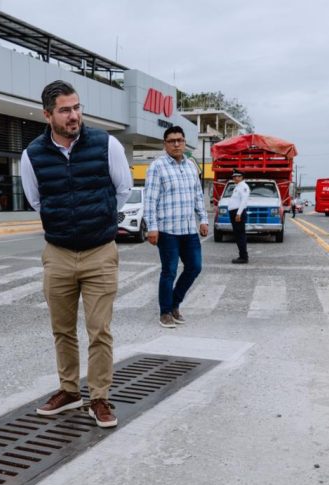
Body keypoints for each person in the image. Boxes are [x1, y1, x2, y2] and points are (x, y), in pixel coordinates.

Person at [20, 80, 132, 428]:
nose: (74, 116)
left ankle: (99, 397)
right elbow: (36, 200)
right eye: (65, 110)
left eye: (77, 107)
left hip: (99, 251)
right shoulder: (32, 155)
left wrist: (98, 218)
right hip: (58, 254)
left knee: (100, 330)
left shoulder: (105, 144)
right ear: (48, 115)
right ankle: (69, 391)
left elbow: (123, 189)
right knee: (62, 329)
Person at [144, 126, 209, 328]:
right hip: (167, 230)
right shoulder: (157, 166)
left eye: (180, 140)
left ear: (184, 142)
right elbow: (150, 200)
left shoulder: (191, 166)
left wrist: (204, 219)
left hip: (189, 229)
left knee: (195, 267)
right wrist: (152, 227)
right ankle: (165, 312)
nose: (176, 144)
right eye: (172, 141)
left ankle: (174, 304)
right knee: (169, 271)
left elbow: (198, 195)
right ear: (165, 144)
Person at [227, 169, 249, 264]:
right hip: (235, 213)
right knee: (238, 235)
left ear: (242, 177)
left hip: (238, 213)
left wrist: (238, 214)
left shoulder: (243, 187)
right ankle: (242, 255)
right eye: (234, 176)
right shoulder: (238, 186)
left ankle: (243, 257)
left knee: (240, 235)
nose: (235, 178)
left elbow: (244, 201)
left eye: (237, 176)